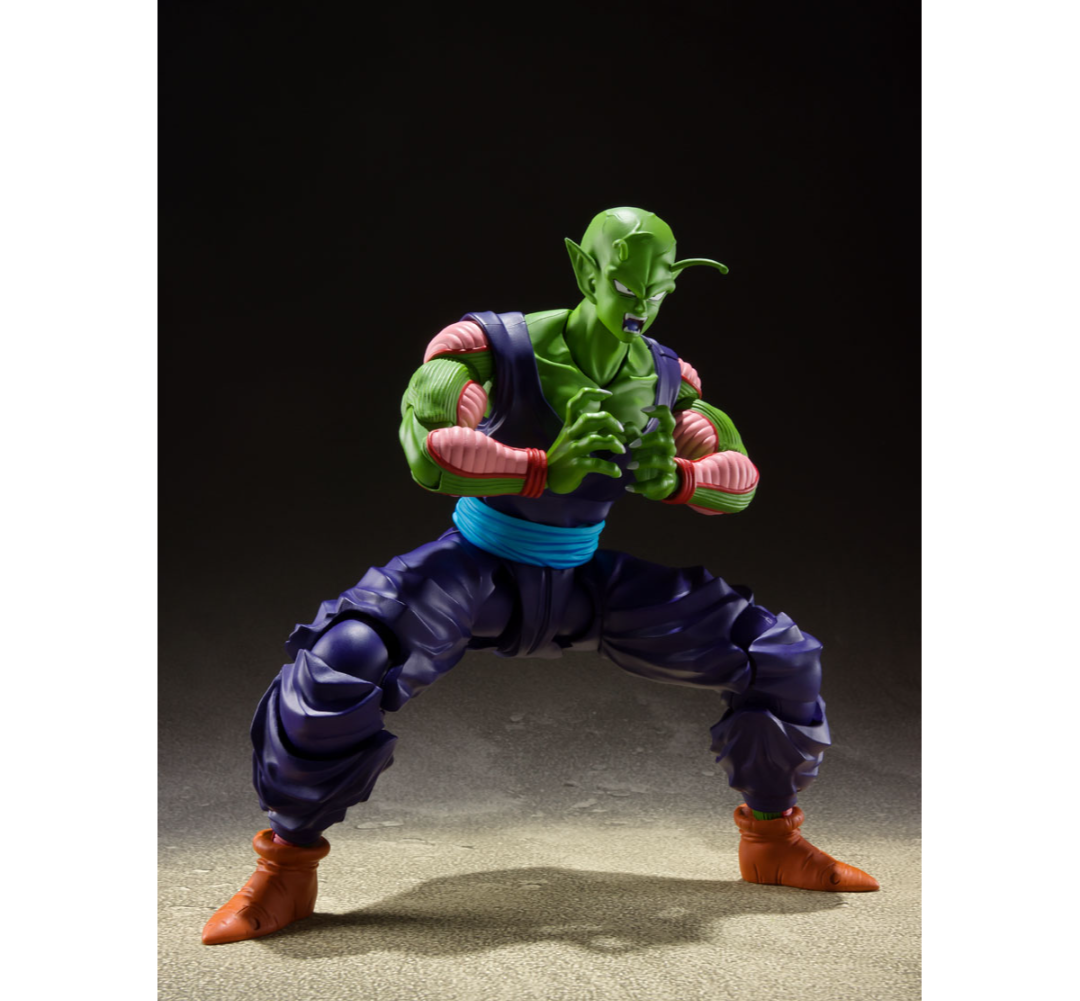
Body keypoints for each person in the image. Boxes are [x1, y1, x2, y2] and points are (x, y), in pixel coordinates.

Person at [202, 207, 878, 946]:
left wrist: (680, 480)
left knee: (777, 652)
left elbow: (739, 479)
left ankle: (772, 843)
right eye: (628, 283)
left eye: (661, 288)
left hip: (585, 582)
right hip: (478, 570)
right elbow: (430, 449)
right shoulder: (490, 349)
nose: (643, 305)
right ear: (585, 269)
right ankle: (286, 868)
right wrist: (540, 468)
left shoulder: (666, 377)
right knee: (344, 658)